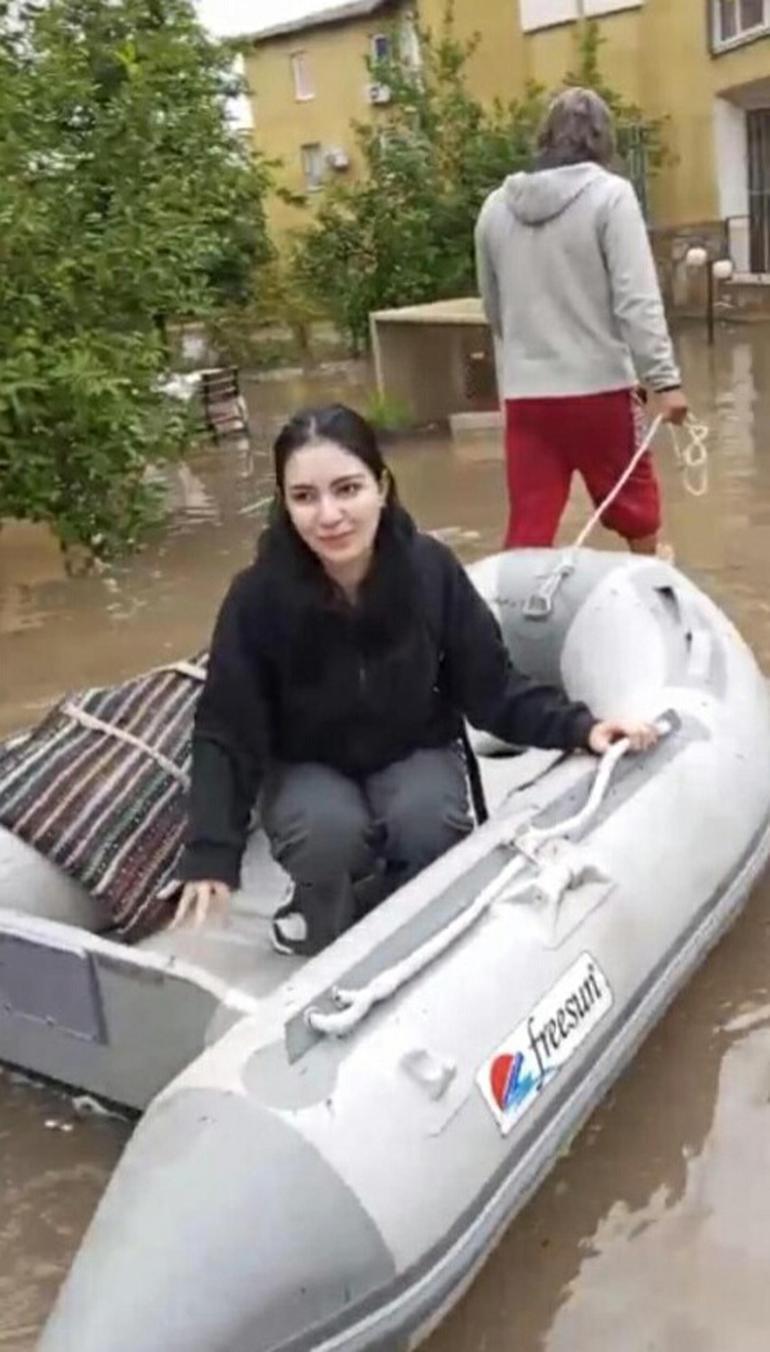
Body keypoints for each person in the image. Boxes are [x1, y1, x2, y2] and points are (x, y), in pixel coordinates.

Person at [173, 404, 658, 956]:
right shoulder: (256, 597)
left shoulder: (430, 570)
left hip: (413, 747)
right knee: (327, 831)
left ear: (381, 486)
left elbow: (492, 688)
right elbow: (225, 730)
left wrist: (581, 727)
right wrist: (212, 851)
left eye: (347, 489)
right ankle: (320, 912)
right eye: (305, 497)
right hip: (308, 763)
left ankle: (405, 917)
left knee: (427, 820)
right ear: (285, 505)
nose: (329, 515)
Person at [475, 87, 689, 556]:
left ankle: (511, 620)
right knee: (637, 511)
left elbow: (493, 310)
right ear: (603, 141)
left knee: (529, 527)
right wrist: (665, 382)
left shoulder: (494, 208)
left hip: (527, 397)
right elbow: (637, 301)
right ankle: (652, 594)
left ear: (545, 138)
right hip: (602, 391)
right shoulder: (611, 197)